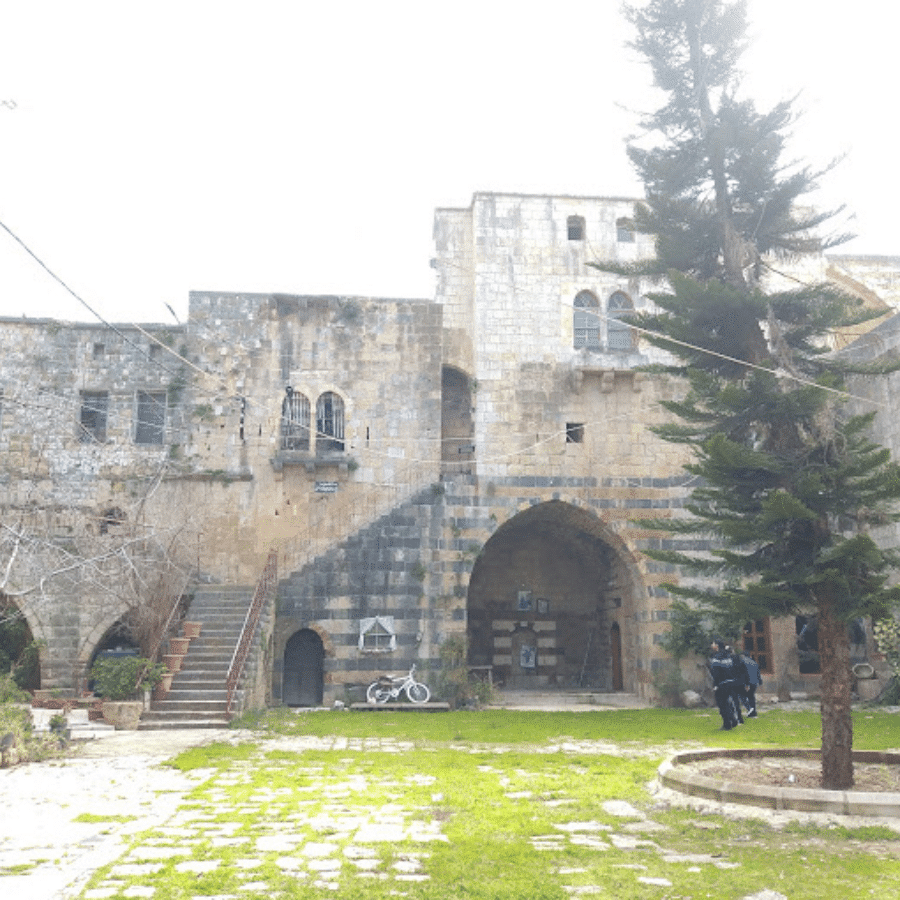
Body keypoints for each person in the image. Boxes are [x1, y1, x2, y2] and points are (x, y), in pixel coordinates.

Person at [708, 638, 743, 730]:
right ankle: (732, 719)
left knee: (722, 704)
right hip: (731, 682)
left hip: (722, 683)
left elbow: (715, 673)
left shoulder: (716, 658)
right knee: (728, 702)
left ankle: (728, 723)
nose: (712, 645)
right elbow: (734, 668)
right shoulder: (728, 656)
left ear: (717, 646)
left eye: (713, 643)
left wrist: (715, 685)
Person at [740, 652, 762, 717]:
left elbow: (743, 673)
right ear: (750, 656)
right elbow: (758, 673)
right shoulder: (754, 662)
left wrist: (745, 684)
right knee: (751, 697)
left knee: (742, 697)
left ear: (743, 655)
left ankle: (750, 710)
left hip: (747, 683)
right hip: (754, 683)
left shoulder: (742, 662)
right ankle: (753, 712)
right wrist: (760, 682)